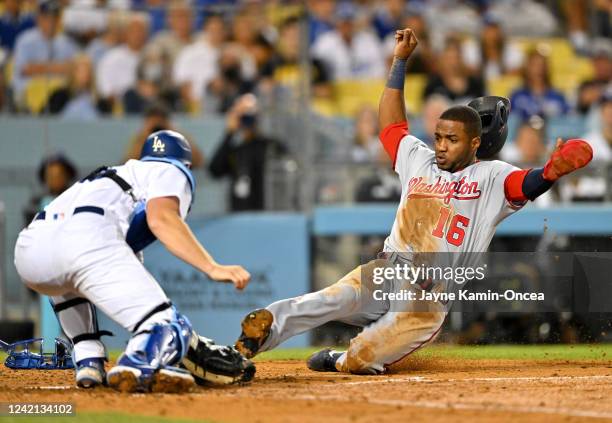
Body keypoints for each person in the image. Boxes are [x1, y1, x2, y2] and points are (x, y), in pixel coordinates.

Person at [233, 28, 593, 375]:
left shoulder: (492, 177)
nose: (440, 145)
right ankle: (260, 331)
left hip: (427, 298)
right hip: (388, 269)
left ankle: (339, 360)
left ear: (473, 144)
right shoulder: (418, 158)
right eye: (438, 136)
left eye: (451, 139)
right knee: (332, 298)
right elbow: (391, 125)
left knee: (364, 356)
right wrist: (399, 63)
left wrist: (550, 172)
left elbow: (525, 184)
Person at [14, 130, 254, 392]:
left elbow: (80, 251)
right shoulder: (171, 169)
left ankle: (88, 358)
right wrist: (212, 267)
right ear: (185, 163)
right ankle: (137, 363)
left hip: (30, 249)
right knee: (166, 323)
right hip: (88, 240)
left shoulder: (110, 177)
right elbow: (161, 219)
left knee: (67, 280)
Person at [209, 94, 286, 211]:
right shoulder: (236, 151)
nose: (247, 119)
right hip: (240, 216)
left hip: (268, 214)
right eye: (243, 115)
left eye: (250, 114)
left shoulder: (271, 146)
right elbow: (214, 170)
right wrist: (229, 133)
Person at [11, 0, 78, 106]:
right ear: (39, 19)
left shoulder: (67, 43)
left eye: (54, 18)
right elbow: (24, 70)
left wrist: (39, 68)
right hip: (29, 92)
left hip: (60, 93)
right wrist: (58, 68)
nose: (51, 22)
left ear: (59, 20)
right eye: (47, 18)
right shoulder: (25, 40)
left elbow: (73, 70)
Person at [124, 102, 204, 167]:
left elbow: (198, 161)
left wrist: (173, 135)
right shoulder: (140, 138)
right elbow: (128, 163)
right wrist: (145, 135)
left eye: (161, 119)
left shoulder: (178, 137)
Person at [510, 49, 569, 121]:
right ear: (527, 68)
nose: (539, 69)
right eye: (534, 65)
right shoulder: (517, 96)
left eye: (542, 65)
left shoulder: (558, 96)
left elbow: (566, 120)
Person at [23, 153, 77, 225]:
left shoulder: (77, 198)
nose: (55, 179)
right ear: (44, 178)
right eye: (51, 175)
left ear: (68, 175)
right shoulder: (36, 203)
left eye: (59, 175)